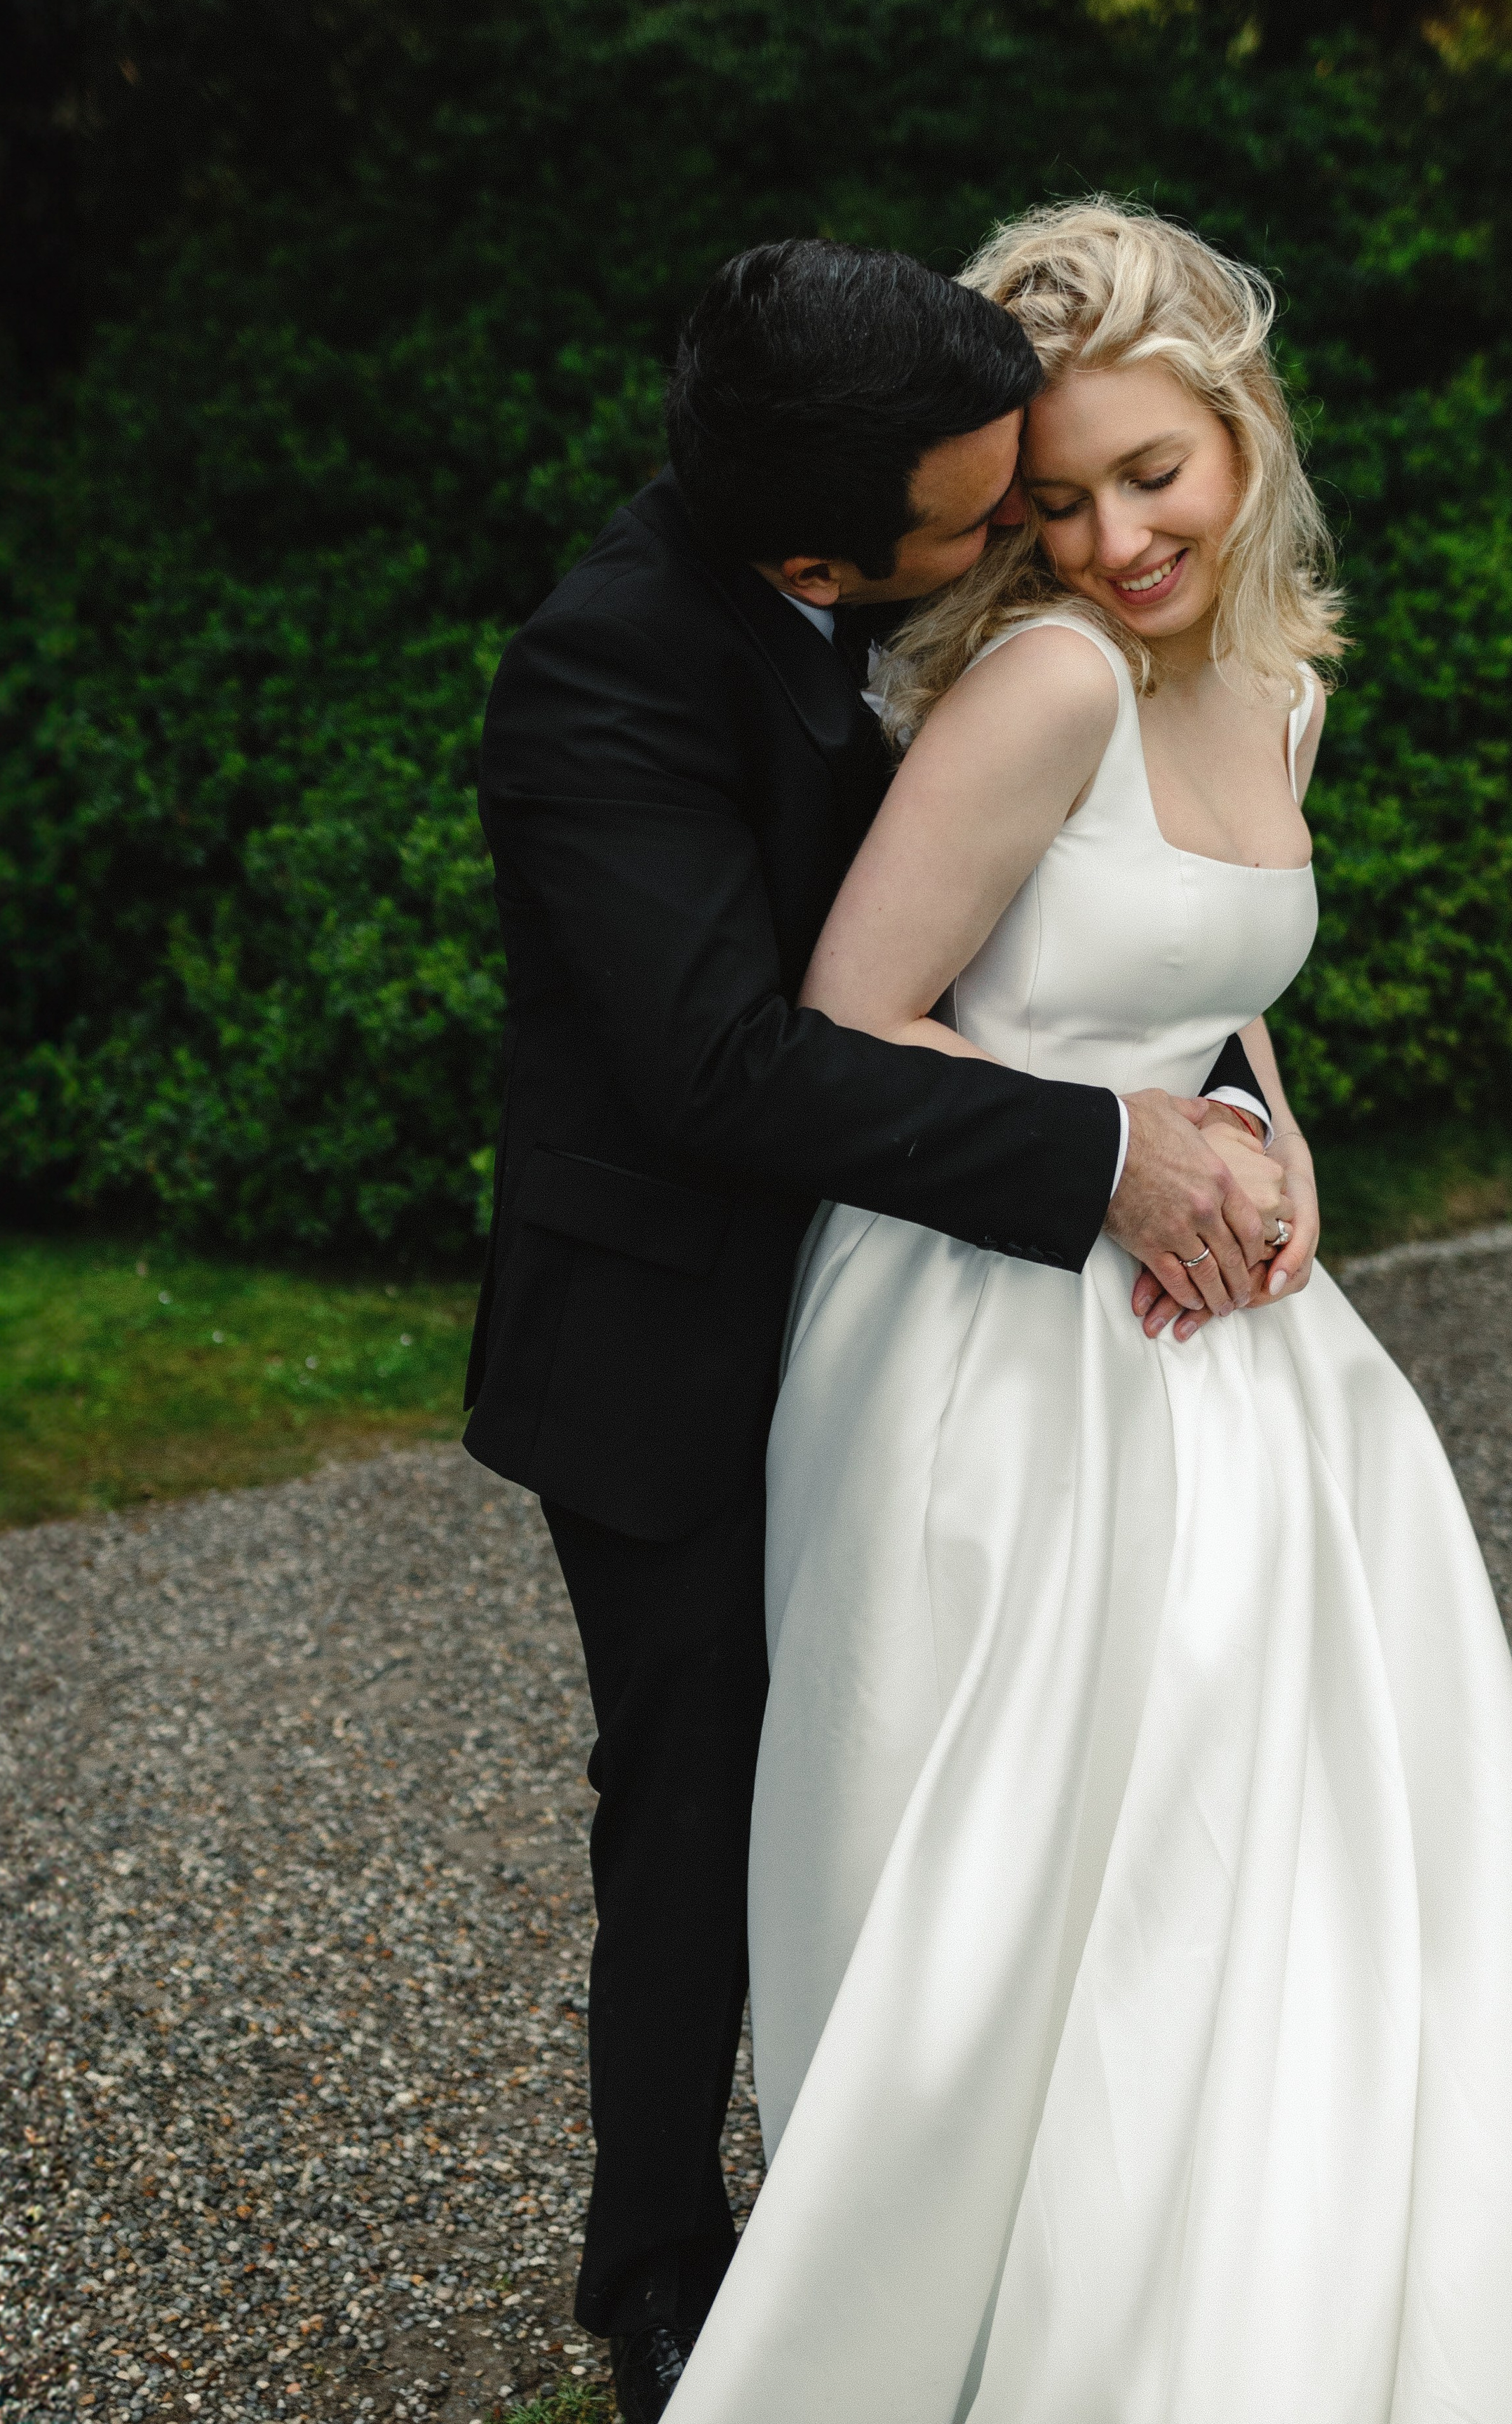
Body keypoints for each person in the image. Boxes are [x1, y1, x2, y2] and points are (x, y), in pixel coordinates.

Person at [664, 200, 1512, 2420]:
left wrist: (1271, 1123)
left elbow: (1207, 990)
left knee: (1272, 1802)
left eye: (1159, 473)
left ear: (1246, 432)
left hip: (1227, 1321)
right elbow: (856, 1018)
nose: (1118, 536)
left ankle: (1274, 2213)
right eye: (1056, 498)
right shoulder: (1048, 682)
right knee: (1053, 1833)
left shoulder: (1280, 679)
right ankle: (1004, 2267)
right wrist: (1127, 1167)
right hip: (992, 1325)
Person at [461, 238, 1289, 2421]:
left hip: (941, 1298)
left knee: (998, 1762)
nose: (1033, 530)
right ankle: (663, 2254)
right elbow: (726, 1068)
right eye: (990, 512)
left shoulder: (921, 502)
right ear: (828, 546)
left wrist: (1214, 1096)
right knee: (704, 1780)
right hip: (675, 1324)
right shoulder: (602, 679)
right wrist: (1104, 1155)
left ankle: (1032, 2193)